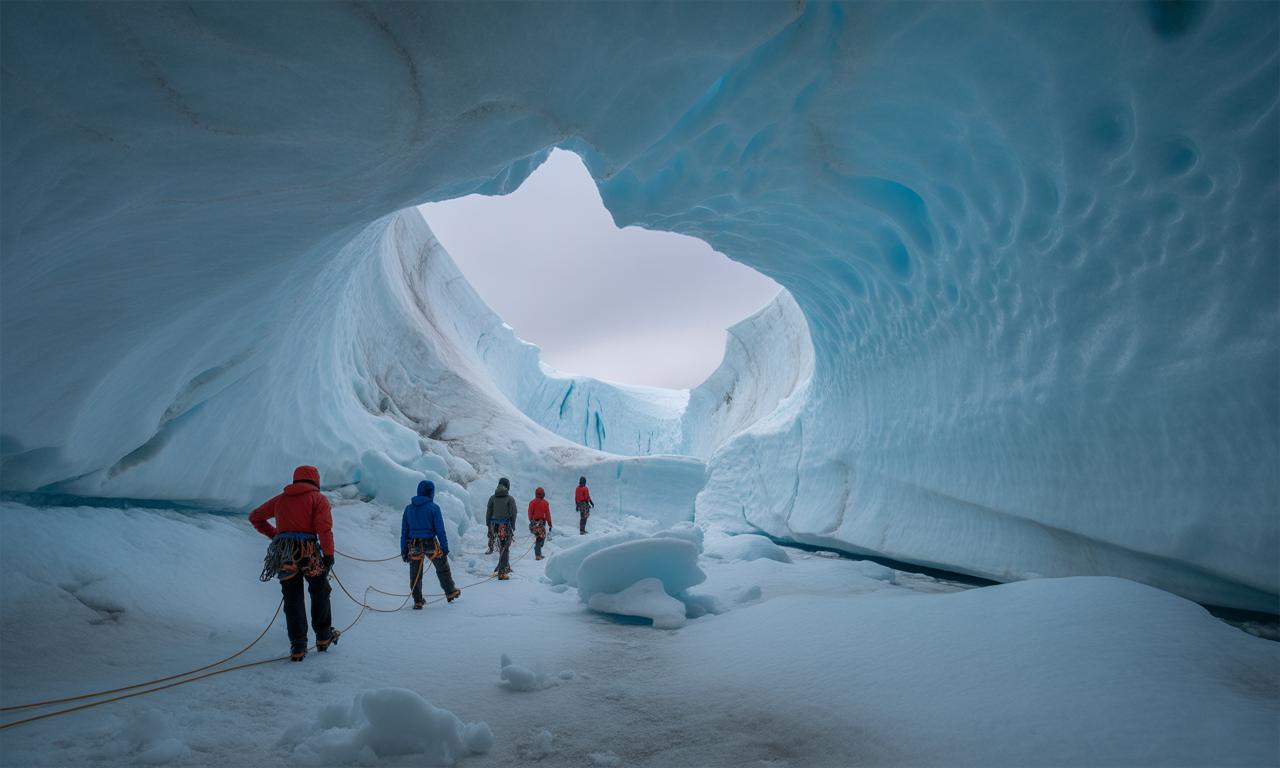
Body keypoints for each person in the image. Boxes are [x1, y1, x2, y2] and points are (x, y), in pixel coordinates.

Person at [250, 465, 339, 662]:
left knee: (292, 598)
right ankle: (324, 636)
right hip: (309, 553)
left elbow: (255, 517)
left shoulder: (280, 499)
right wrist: (328, 555)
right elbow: (324, 529)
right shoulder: (318, 499)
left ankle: (298, 646)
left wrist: (277, 536)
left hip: (285, 554)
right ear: (315, 480)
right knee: (320, 590)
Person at [401, 480, 461, 609]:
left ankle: (418, 600)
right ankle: (450, 591)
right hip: (430, 543)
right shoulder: (434, 508)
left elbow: (404, 532)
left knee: (415, 573)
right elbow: (440, 530)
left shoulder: (408, 508)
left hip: (413, 544)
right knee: (442, 566)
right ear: (430, 492)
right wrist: (444, 546)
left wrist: (403, 550)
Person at [485, 477, 518, 580]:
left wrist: (489, 526)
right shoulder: (510, 499)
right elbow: (513, 513)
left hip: (494, 525)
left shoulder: (492, 498)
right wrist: (512, 526)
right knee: (505, 547)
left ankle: (505, 566)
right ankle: (502, 572)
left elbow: (488, 513)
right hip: (505, 526)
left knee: (501, 547)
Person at [527, 487, 552, 560]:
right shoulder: (545, 503)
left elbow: (530, 513)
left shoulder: (532, 502)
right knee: (541, 538)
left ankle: (538, 553)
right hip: (541, 523)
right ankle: (538, 554)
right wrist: (550, 524)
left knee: (538, 537)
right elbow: (547, 514)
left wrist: (531, 521)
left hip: (534, 522)